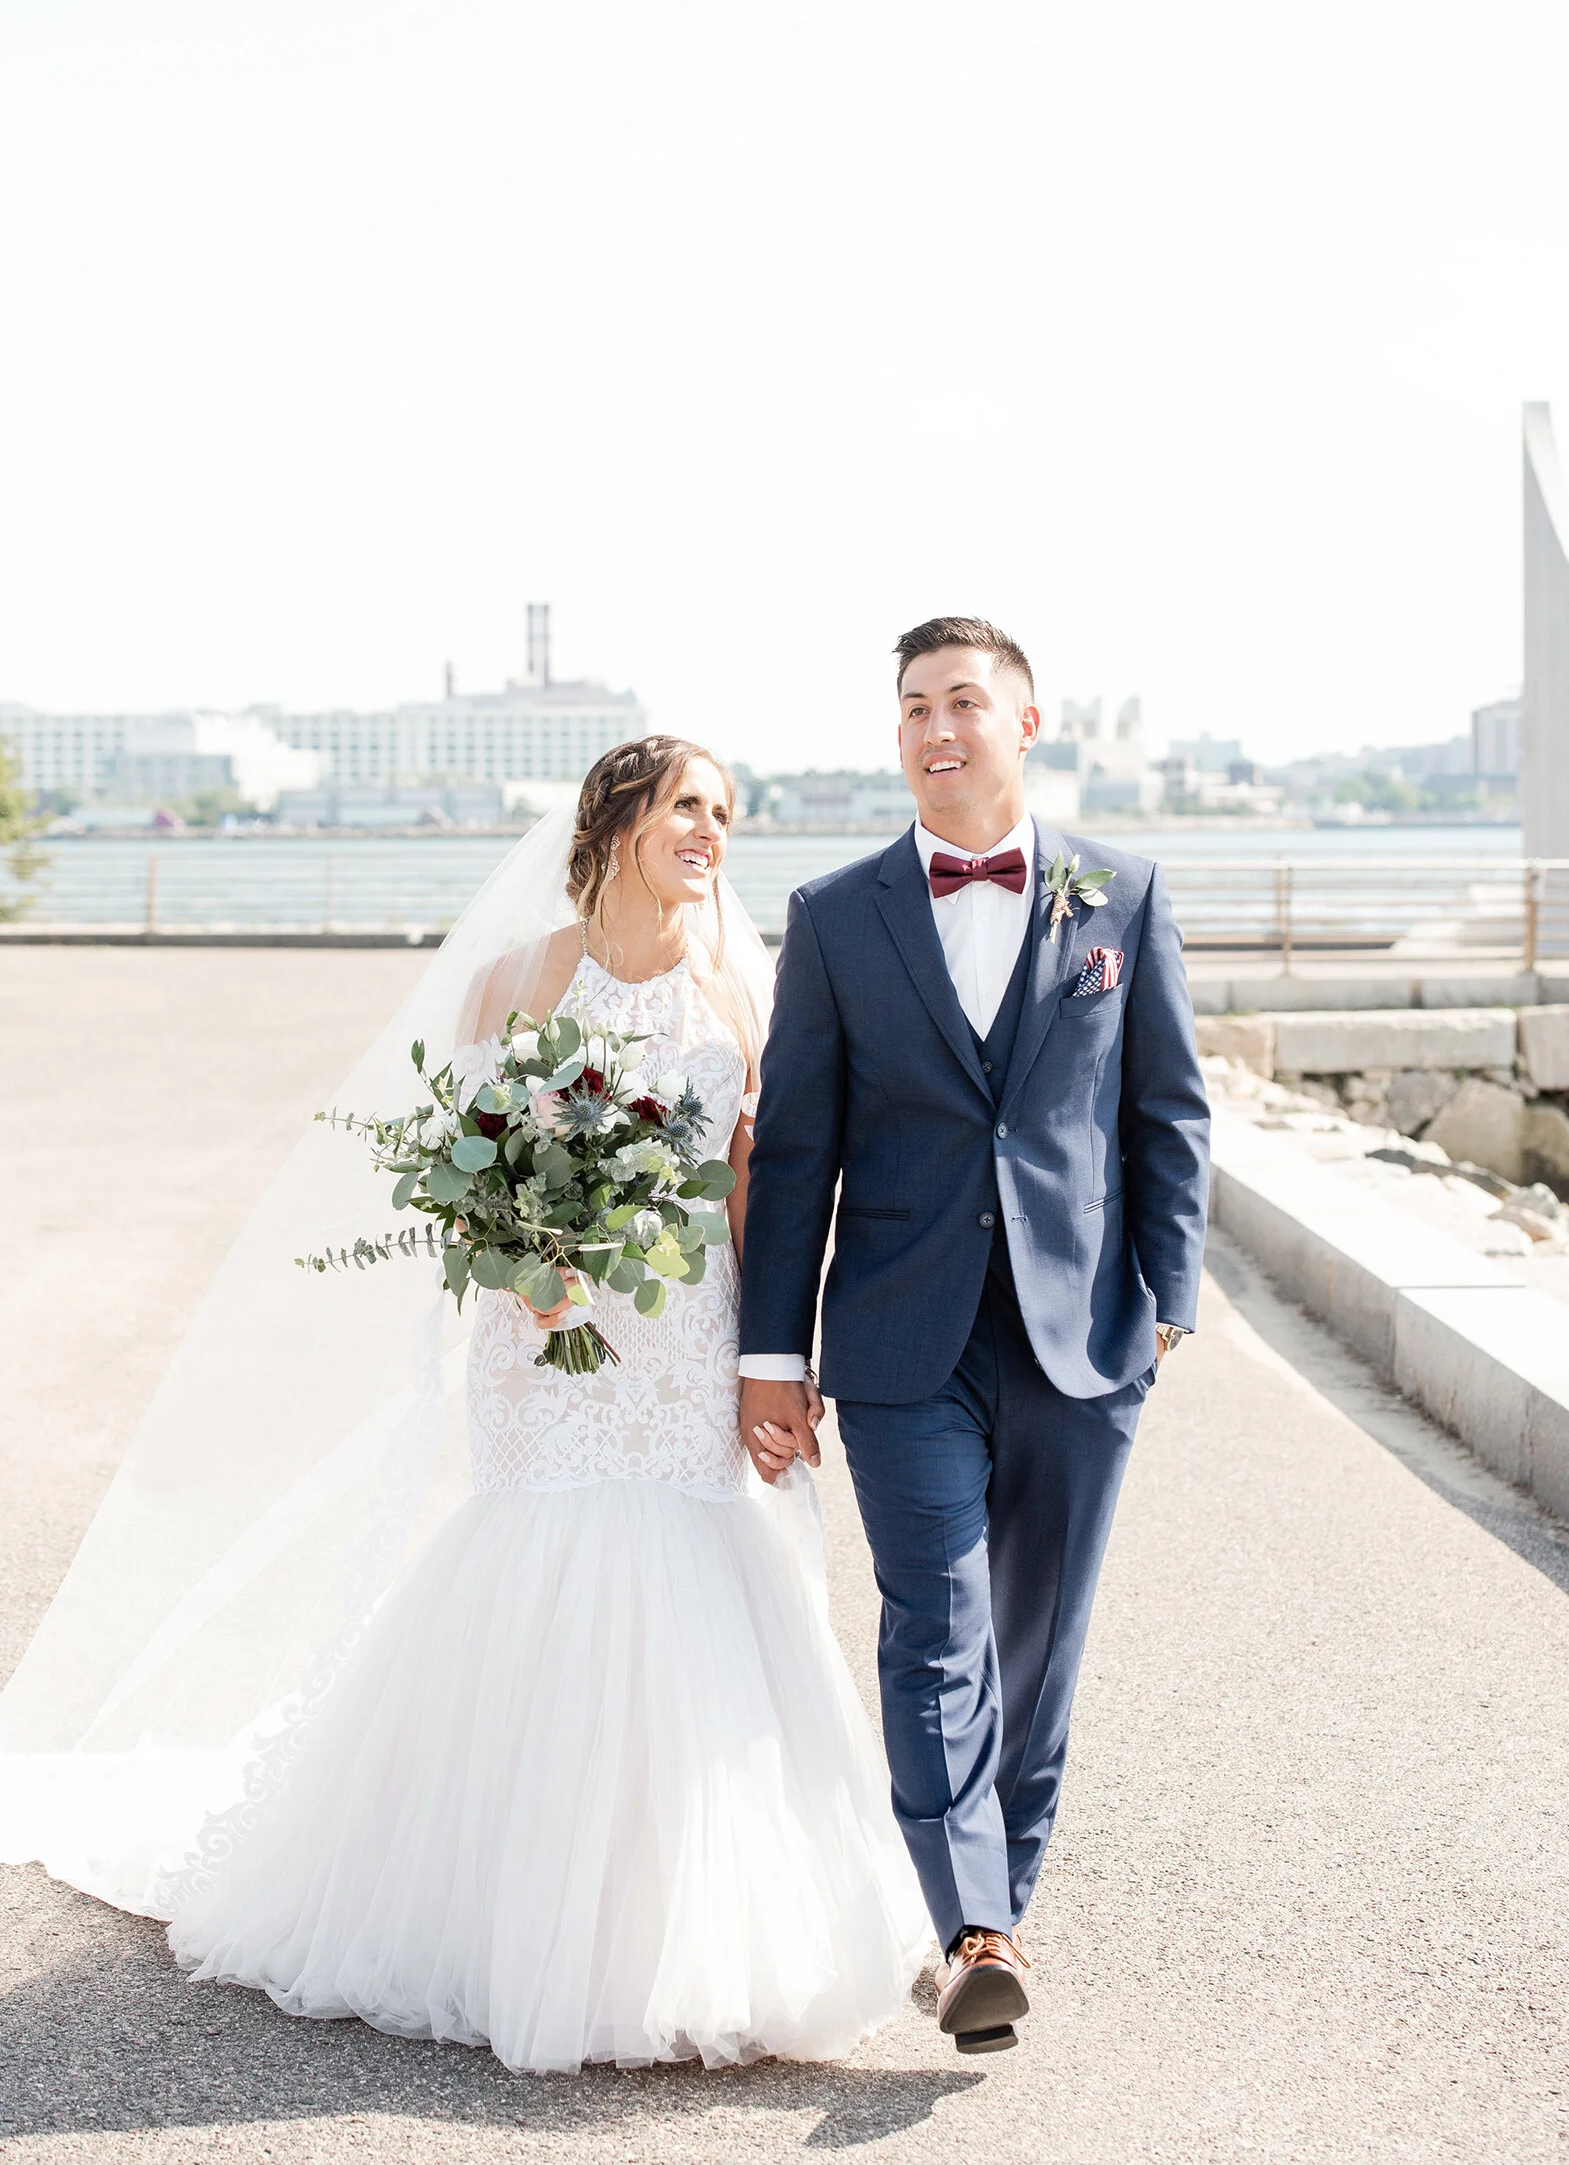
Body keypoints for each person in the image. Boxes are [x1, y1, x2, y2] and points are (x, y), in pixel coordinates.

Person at [0, 738, 928, 2076]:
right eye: (688, 806)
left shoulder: (740, 990)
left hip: (685, 1345)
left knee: (692, 1587)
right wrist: (530, 1258)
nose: (713, 831)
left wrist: (770, 1363)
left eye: (726, 812)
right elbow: (464, 1170)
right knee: (549, 1569)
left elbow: (758, 1195)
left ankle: (666, 1929)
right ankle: (512, 1914)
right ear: (614, 822)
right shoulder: (518, 979)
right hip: (542, 1343)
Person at [737, 619, 1209, 2056]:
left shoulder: (1118, 893)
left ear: (1025, 720)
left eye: (962, 702)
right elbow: (800, 1142)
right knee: (935, 1627)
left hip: (1086, 1337)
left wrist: (1171, 1293)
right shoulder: (834, 913)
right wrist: (770, 1351)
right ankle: (976, 1930)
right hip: (899, 1338)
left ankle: (1003, 1887)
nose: (936, 728)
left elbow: (1168, 1108)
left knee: (1039, 1641)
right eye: (912, 709)